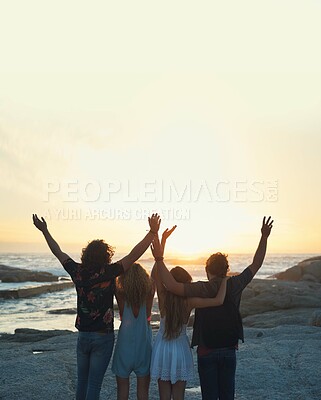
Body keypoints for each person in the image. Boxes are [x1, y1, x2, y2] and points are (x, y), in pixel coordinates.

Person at [32, 213, 161, 400]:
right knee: (94, 385)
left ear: (86, 255)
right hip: (102, 337)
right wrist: (152, 232)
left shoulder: (77, 271)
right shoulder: (109, 272)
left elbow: (57, 252)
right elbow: (134, 255)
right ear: (106, 256)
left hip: (83, 335)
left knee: (82, 381)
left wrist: (45, 231)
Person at [154, 216, 274, 400]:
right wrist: (264, 237)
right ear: (226, 269)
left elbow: (171, 285)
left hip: (206, 349)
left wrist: (159, 255)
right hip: (228, 348)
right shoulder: (235, 284)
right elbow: (256, 264)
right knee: (227, 396)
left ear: (207, 269)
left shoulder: (201, 288)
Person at [150, 227, 228, 400]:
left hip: (162, 348)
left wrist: (160, 243)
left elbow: (156, 275)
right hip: (180, 349)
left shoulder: (163, 298)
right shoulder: (189, 302)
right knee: (178, 397)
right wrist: (224, 280)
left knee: (164, 397)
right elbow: (218, 301)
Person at [111, 263, 155, 400]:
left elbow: (112, 276)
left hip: (124, 348)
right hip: (144, 347)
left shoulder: (121, 295)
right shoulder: (149, 294)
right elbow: (154, 278)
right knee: (143, 393)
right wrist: (159, 256)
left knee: (122, 392)